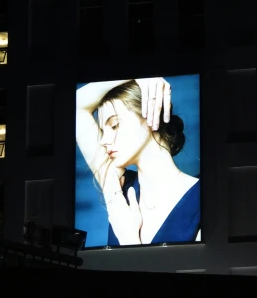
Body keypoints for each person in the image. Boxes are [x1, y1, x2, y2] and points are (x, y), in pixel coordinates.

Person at [76, 78, 200, 246]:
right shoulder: (116, 188)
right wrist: (137, 76)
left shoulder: (201, 201)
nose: (104, 140)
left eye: (114, 125)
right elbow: (77, 104)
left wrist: (128, 238)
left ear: (150, 114)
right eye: (103, 131)